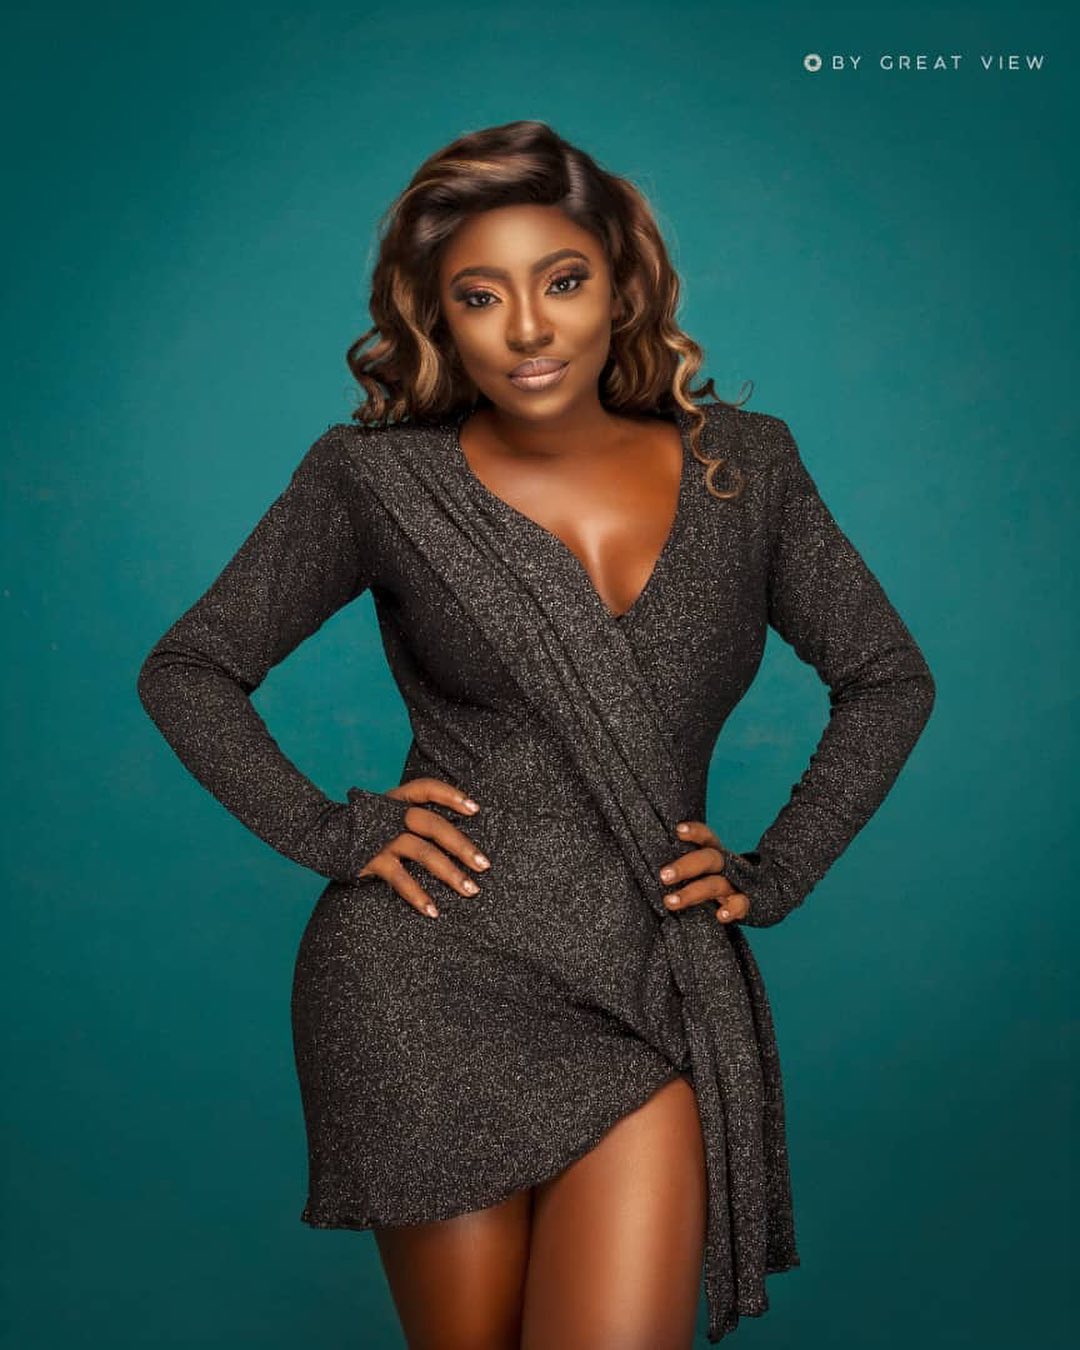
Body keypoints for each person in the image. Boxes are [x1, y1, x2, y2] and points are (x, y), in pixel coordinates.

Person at [136, 120, 936, 1350]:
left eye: (562, 281)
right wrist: (334, 832)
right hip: (423, 980)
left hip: (646, 983)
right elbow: (189, 669)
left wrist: (778, 870)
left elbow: (887, 678)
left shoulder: (747, 468)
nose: (526, 328)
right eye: (480, 295)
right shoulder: (377, 480)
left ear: (621, 286)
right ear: (436, 316)